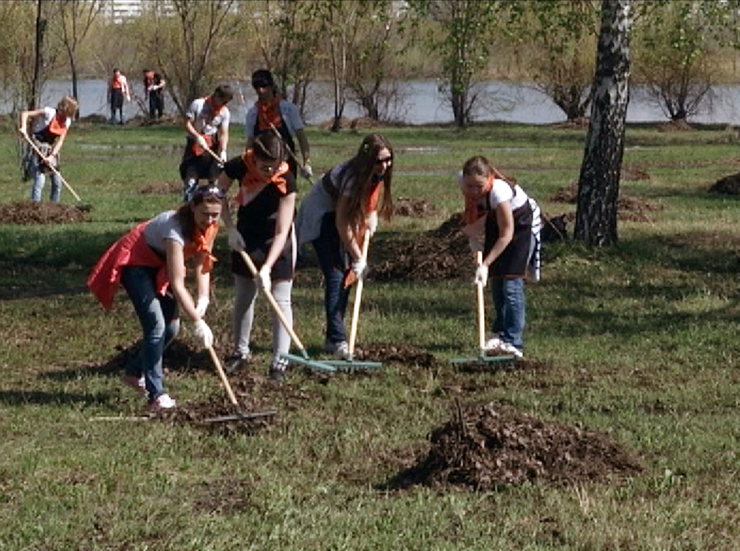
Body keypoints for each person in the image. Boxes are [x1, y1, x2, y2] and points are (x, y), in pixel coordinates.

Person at [86, 184, 223, 410]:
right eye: (205, 214)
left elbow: (202, 262)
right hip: (137, 264)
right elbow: (178, 283)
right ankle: (156, 395)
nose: (210, 220)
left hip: (160, 265)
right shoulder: (175, 228)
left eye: (215, 215)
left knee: (171, 329)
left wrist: (204, 298)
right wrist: (198, 322)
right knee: (156, 326)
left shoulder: (211, 226)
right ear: (193, 207)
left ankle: (133, 373)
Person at [295, 134, 393, 359]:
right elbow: (341, 223)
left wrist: (371, 215)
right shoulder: (352, 178)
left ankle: (332, 338)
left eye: (388, 160)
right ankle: (339, 341)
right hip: (321, 217)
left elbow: (368, 199)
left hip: (342, 216)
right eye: (379, 161)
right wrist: (359, 257)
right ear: (368, 159)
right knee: (336, 273)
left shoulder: (376, 175)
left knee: (347, 273)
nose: (385, 165)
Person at [216, 132, 297, 382]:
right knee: (244, 295)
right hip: (245, 235)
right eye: (264, 167)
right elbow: (217, 192)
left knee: (280, 299)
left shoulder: (287, 178)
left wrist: (267, 268)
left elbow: (283, 230)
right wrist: (229, 228)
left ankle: (279, 363)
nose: (269, 172)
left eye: (273, 166)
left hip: (277, 240)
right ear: (255, 157)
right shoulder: (239, 165)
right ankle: (240, 352)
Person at [459, 155, 540, 359]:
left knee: (511, 283)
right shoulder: (464, 183)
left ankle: (514, 342)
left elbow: (507, 234)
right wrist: (474, 235)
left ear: (490, 178)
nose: (474, 191)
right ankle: (499, 334)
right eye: (470, 186)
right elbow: (474, 211)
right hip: (497, 220)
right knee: (496, 282)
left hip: (521, 226)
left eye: (479, 186)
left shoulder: (499, 192)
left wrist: (485, 264)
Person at [245, 69, 312, 181]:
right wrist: (247, 164)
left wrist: (307, 162)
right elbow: (249, 143)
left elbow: (301, 137)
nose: (260, 90)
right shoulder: (252, 113)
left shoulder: (289, 109)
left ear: (271, 86)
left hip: (286, 163)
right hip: (262, 167)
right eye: (256, 87)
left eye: (264, 86)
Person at [18, 95, 79, 203]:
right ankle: (35, 206)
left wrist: (51, 156)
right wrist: (23, 127)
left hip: (51, 149)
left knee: (57, 182)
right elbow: (25, 114)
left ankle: (54, 207)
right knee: (40, 180)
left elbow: (60, 141)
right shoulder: (49, 113)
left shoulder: (67, 122)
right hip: (37, 146)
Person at [180, 84, 233, 202]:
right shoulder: (198, 104)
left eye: (225, 103)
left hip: (212, 146)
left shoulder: (224, 112)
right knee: (191, 180)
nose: (223, 105)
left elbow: (224, 133)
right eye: (222, 101)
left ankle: (211, 206)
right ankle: (188, 207)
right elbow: (187, 123)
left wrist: (223, 150)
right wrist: (197, 136)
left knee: (214, 181)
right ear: (216, 95)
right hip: (195, 145)